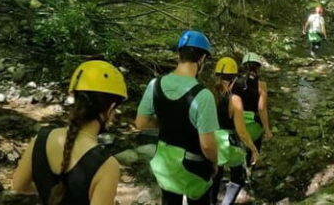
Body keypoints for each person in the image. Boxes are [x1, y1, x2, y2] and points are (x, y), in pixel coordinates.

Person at [12, 60, 126, 205]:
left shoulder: (41, 138)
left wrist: (48, 191)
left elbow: (19, 185)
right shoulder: (107, 166)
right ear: (110, 109)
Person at [135, 30, 219, 205]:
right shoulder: (203, 95)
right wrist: (214, 164)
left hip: (166, 165)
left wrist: (168, 121)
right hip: (193, 169)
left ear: (179, 54)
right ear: (202, 59)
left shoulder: (154, 85)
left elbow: (141, 123)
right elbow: (207, 146)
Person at [209, 57, 259, 205]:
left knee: (214, 176)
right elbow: (241, 131)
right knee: (238, 177)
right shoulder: (234, 100)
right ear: (234, 78)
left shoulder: (207, 94)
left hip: (210, 139)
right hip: (228, 143)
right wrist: (253, 149)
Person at [232, 52, 273, 164]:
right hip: (254, 125)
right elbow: (261, 109)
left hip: (237, 123)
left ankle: (238, 174)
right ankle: (249, 173)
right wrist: (267, 129)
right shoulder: (261, 85)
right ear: (258, 67)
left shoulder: (234, 82)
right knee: (254, 150)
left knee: (239, 153)